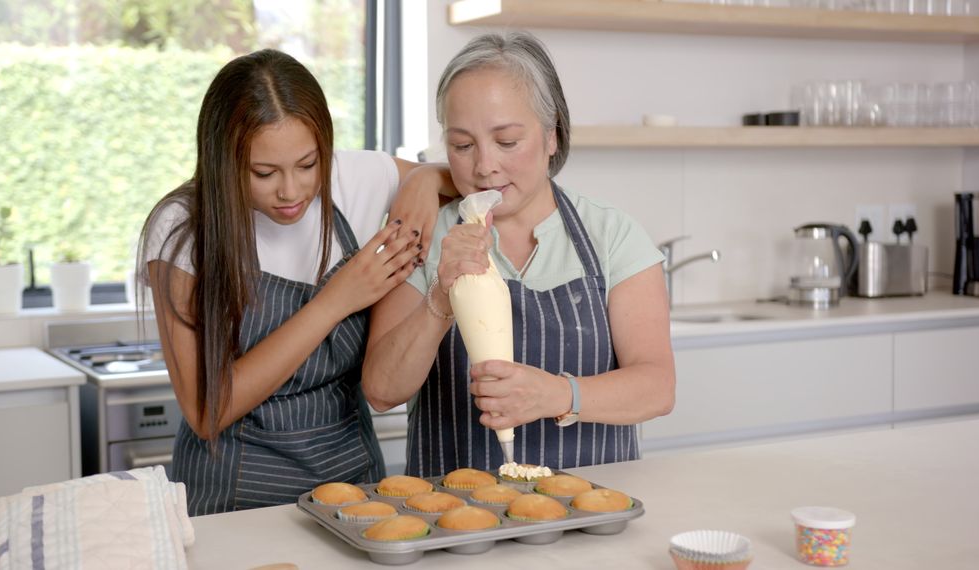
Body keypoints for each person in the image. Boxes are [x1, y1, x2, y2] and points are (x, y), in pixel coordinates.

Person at [139, 48, 454, 515]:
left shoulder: (354, 178)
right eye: (263, 173)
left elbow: (463, 179)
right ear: (223, 158)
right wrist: (335, 301)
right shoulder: (182, 228)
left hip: (355, 491)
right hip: (235, 498)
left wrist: (426, 179)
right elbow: (207, 411)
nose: (291, 191)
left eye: (308, 165)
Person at [362, 31, 676, 477]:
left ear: (552, 137)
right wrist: (439, 298)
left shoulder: (612, 236)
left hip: (588, 513)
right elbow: (379, 390)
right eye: (462, 145)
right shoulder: (426, 235)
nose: (484, 165)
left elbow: (657, 387)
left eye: (507, 141)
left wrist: (554, 395)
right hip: (457, 517)